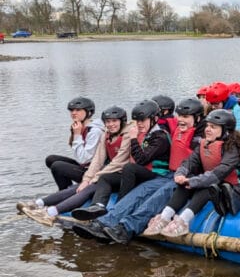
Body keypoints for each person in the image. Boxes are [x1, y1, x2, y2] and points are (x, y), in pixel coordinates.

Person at [72, 98, 206, 243]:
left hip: (188, 179)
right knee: (139, 193)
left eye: (185, 116)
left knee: (157, 197)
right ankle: (103, 222)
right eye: (179, 115)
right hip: (169, 174)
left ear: (198, 118)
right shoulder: (179, 130)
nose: (180, 119)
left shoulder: (203, 137)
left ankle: (126, 228)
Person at [143, 109, 240, 237]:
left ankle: (183, 221)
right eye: (207, 126)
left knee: (207, 187)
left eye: (213, 127)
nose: (207, 129)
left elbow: (219, 173)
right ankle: (164, 217)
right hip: (215, 182)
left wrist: (194, 182)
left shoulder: (233, 148)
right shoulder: (205, 143)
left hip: (236, 186)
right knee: (186, 181)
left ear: (226, 131)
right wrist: (180, 174)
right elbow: (189, 162)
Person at [20, 106, 132, 225]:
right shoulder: (106, 134)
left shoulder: (128, 136)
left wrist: (94, 179)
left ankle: (50, 213)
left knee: (90, 188)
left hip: (122, 176)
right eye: (108, 122)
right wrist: (87, 179)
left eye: (114, 121)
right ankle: (38, 204)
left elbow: (118, 162)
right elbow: (98, 160)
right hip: (108, 173)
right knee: (77, 187)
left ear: (122, 121)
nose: (111, 124)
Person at [72, 99, 170, 220]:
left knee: (129, 168)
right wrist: (90, 178)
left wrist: (133, 139)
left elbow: (141, 160)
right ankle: (98, 206)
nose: (139, 124)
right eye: (137, 121)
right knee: (106, 178)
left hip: (157, 174)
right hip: (140, 172)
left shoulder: (160, 137)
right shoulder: (144, 133)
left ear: (154, 119)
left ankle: (119, 206)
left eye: (142, 120)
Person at [45, 96, 104, 190]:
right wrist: (76, 133)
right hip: (84, 166)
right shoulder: (80, 127)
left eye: (78, 110)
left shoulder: (95, 131)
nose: (73, 113)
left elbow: (84, 159)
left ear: (88, 112)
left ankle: (64, 192)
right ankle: (67, 189)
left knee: (57, 166)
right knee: (51, 159)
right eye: (71, 110)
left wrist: (77, 135)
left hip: (92, 171)